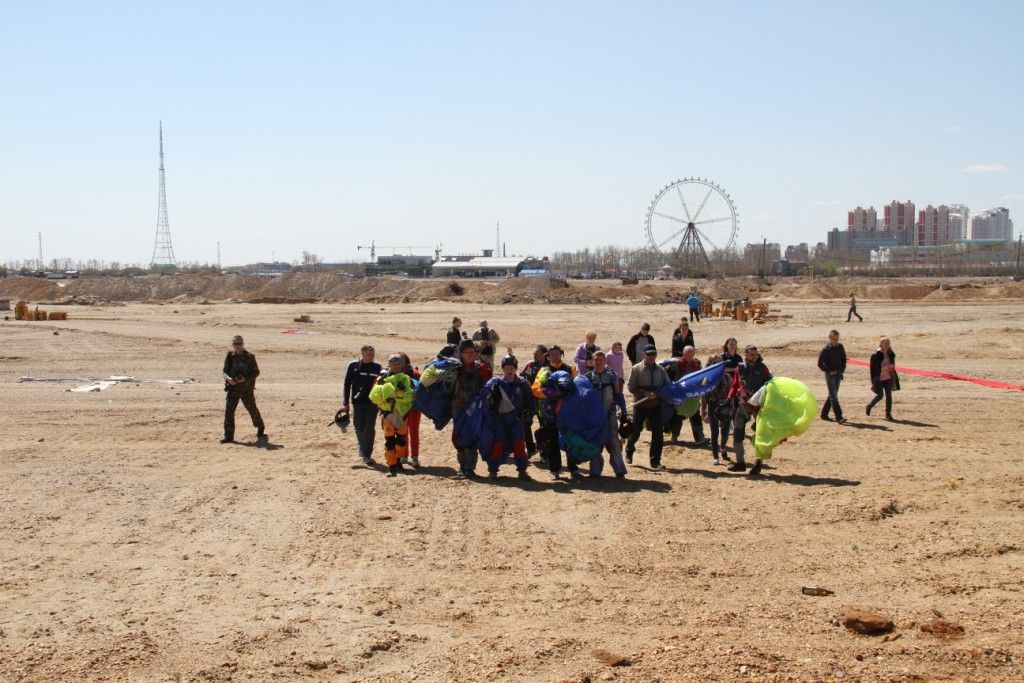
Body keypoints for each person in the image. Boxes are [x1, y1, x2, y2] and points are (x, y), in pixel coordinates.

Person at [482, 355, 533, 481]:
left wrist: (528, 417)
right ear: (503, 369)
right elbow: (484, 398)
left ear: (515, 369)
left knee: (519, 445)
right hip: (499, 421)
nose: (509, 371)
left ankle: (522, 471)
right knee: (497, 445)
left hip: (517, 421)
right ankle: (493, 471)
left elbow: (531, 401)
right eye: (507, 368)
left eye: (512, 368)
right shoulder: (495, 382)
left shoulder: (522, 383)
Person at [727, 345, 772, 474]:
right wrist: (729, 398)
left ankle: (758, 464)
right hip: (743, 404)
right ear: (745, 355)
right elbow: (735, 385)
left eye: (756, 354)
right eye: (752, 354)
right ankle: (740, 463)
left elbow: (770, 383)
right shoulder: (740, 368)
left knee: (760, 434)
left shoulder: (763, 368)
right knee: (737, 432)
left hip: (758, 406)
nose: (754, 356)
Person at [451, 339, 492, 478]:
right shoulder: (454, 369)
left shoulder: (482, 369)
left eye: (472, 352)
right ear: (461, 353)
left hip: (475, 409)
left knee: (471, 437)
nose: (470, 355)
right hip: (457, 408)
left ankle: (469, 468)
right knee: (458, 436)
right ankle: (462, 467)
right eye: (467, 352)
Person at [626, 344, 670, 468]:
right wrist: (643, 393)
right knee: (635, 431)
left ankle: (655, 461)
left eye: (653, 354)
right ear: (643, 355)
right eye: (649, 354)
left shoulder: (661, 370)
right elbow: (631, 387)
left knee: (658, 434)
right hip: (640, 406)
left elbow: (667, 386)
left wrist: (659, 394)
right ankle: (629, 449)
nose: (651, 357)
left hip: (655, 406)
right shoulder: (636, 369)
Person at [372, 354, 415, 477]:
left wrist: (398, 396)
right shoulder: (382, 378)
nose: (395, 366)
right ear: (389, 365)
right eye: (393, 364)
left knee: (401, 441)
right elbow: (375, 395)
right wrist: (386, 397)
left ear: (402, 365)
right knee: (389, 441)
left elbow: (410, 396)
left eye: (398, 363)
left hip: (402, 414)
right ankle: (392, 465)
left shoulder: (406, 379)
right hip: (388, 414)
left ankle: (398, 460)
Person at [587, 350, 628, 478]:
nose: (599, 362)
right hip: (594, 417)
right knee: (595, 443)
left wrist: (624, 412)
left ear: (605, 361)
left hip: (610, 415)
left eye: (601, 360)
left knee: (614, 442)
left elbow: (619, 395)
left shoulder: (612, 376)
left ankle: (619, 470)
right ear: (592, 361)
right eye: (596, 360)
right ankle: (595, 471)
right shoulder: (587, 377)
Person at [221, 335, 266, 444]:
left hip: (246, 389)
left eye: (240, 343)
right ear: (232, 344)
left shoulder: (250, 356)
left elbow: (256, 372)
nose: (238, 346)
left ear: (243, 344)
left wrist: (245, 379)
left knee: (252, 409)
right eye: (235, 344)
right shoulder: (230, 356)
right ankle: (228, 436)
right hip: (233, 388)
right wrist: (228, 379)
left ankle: (260, 426)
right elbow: (225, 371)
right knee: (229, 412)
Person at [342, 345, 382, 465]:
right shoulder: (353, 366)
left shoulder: (377, 367)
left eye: (373, 354)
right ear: (362, 353)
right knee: (359, 426)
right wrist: (345, 402)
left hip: (372, 403)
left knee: (369, 428)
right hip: (357, 402)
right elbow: (347, 384)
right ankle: (361, 445)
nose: (372, 356)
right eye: (369, 354)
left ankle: (366, 455)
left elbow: (382, 385)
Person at [666, 346, 707, 445]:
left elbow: (701, 378)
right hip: (679, 396)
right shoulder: (676, 365)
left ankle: (700, 438)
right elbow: (668, 380)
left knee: (695, 415)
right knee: (677, 417)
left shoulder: (697, 365)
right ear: (683, 354)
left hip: (692, 396)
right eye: (688, 352)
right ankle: (674, 436)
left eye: (691, 353)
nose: (690, 355)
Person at [701, 354, 733, 466]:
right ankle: (715, 456)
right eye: (714, 362)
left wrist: (732, 408)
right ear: (709, 364)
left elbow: (731, 393)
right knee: (714, 432)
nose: (717, 364)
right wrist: (703, 411)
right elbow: (704, 396)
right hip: (713, 406)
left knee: (725, 432)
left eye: (719, 362)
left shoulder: (727, 377)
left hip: (725, 406)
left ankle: (723, 447)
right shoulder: (706, 378)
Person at [519, 344, 548, 456]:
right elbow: (521, 377)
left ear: (544, 355)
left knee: (544, 426)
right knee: (525, 424)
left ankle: (543, 451)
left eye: (537, 354)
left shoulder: (549, 367)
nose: (534, 356)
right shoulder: (530, 365)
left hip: (543, 402)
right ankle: (531, 448)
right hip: (529, 401)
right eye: (534, 354)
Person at [818, 329, 847, 423]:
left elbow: (844, 359)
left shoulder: (840, 347)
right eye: (834, 339)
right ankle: (839, 417)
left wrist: (842, 371)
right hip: (830, 376)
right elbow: (820, 363)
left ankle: (824, 414)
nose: (836, 341)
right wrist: (828, 371)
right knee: (834, 396)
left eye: (837, 339)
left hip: (838, 374)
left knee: (832, 395)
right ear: (830, 338)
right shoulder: (825, 349)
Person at [399, 352, 422, 466]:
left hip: (414, 407)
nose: (398, 362)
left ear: (406, 361)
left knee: (413, 432)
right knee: (403, 432)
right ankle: (404, 455)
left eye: (400, 360)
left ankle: (414, 456)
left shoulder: (415, 373)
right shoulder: (396, 373)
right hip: (402, 407)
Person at [867, 336, 897, 420]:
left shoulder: (891, 354)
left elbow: (893, 366)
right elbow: (872, 369)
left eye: (888, 343)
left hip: (888, 378)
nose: (887, 345)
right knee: (880, 395)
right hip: (879, 379)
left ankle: (888, 414)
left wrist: (892, 369)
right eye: (885, 343)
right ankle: (869, 406)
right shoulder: (875, 354)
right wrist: (873, 380)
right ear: (881, 344)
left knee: (889, 396)